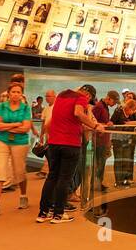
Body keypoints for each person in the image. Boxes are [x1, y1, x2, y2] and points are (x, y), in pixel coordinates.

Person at [39, 85, 103, 223]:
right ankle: (58, 215)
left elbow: (50, 123)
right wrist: (95, 126)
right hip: (70, 144)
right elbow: (78, 113)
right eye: (89, 99)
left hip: (54, 143)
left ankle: (43, 213)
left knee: (52, 177)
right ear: (88, 95)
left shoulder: (61, 95)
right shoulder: (80, 97)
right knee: (64, 179)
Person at [0, 82, 33, 218]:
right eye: (13, 92)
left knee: (19, 171)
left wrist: (5, 126)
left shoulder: (25, 108)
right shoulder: (1, 106)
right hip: (1, 141)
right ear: (8, 93)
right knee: (0, 170)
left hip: (20, 142)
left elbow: (26, 128)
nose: (15, 94)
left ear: (21, 94)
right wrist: (15, 124)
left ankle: (23, 195)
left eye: (18, 92)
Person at [0, 72, 27, 192]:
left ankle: (5, 182)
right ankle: (7, 183)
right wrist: (17, 125)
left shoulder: (2, 94)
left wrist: (4, 126)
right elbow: (22, 116)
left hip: (3, 130)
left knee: (5, 160)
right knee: (13, 160)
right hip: (15, 132)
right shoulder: (21, 97)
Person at [110, 92, 136, 186]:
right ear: (128, 107)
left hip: (128, 139)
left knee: (126, 160)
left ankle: (125, 179)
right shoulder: (118, 111)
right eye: (132, 110)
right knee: (119, 160)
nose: (133, 112)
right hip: (118, 140)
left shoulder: (132, 114)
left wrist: (129, 123)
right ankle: (118, 181)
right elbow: (111, 123)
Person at [91, 89, 119, 190]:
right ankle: (95, 184)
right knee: (99, 163)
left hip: (103, 140)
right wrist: (106, 124)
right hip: (98, 140)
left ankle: (98, 183)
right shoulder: (99, 106)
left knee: (101, 163)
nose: (114, 104)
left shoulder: (104, 107)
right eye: (114, 102)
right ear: (109, 98)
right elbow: (92, 122)